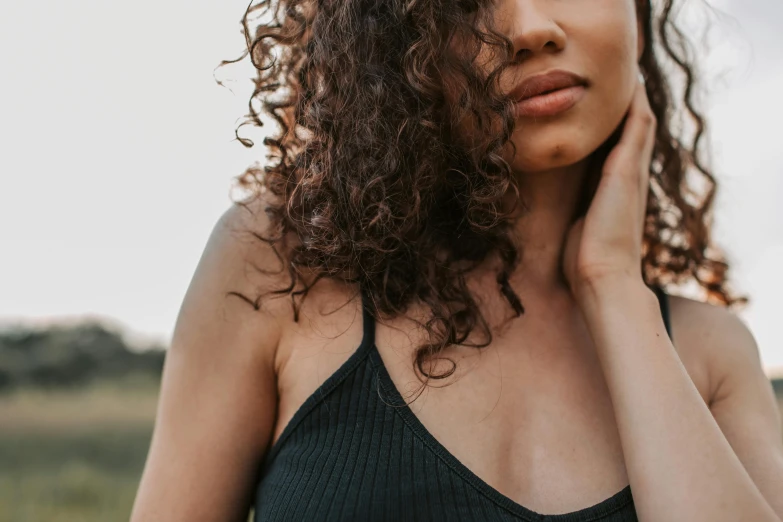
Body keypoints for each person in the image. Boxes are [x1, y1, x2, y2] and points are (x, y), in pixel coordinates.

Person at [130, 0, 783, 520]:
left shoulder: (710, 356)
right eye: (466, 3)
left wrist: (611, 287)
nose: (529, 28)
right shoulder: (279, 268)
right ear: (395, 47)